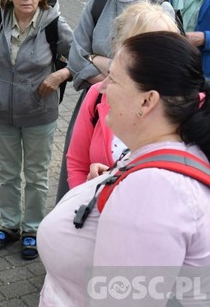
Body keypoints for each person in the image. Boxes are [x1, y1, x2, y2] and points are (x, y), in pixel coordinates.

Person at [39, 31, 210, 305]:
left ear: (147, 101)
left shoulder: (155, 192)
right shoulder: (169, 156)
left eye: (114, 79)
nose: (102, 87)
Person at [0, 0, 73, 260]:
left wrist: (59, 76)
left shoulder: (55, 25)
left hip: (39, 113)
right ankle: (10, 226)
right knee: (7, 174)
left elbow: (80, 59)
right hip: (2, 111)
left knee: (36, 175)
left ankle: (32, 230)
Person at [66, 2, 180, 188]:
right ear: (121, 48)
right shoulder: (98, 95)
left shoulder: (186, 106)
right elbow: (77, 164)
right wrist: (85, 203)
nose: (155, 57)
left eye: (164, 46)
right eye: (143, 46)